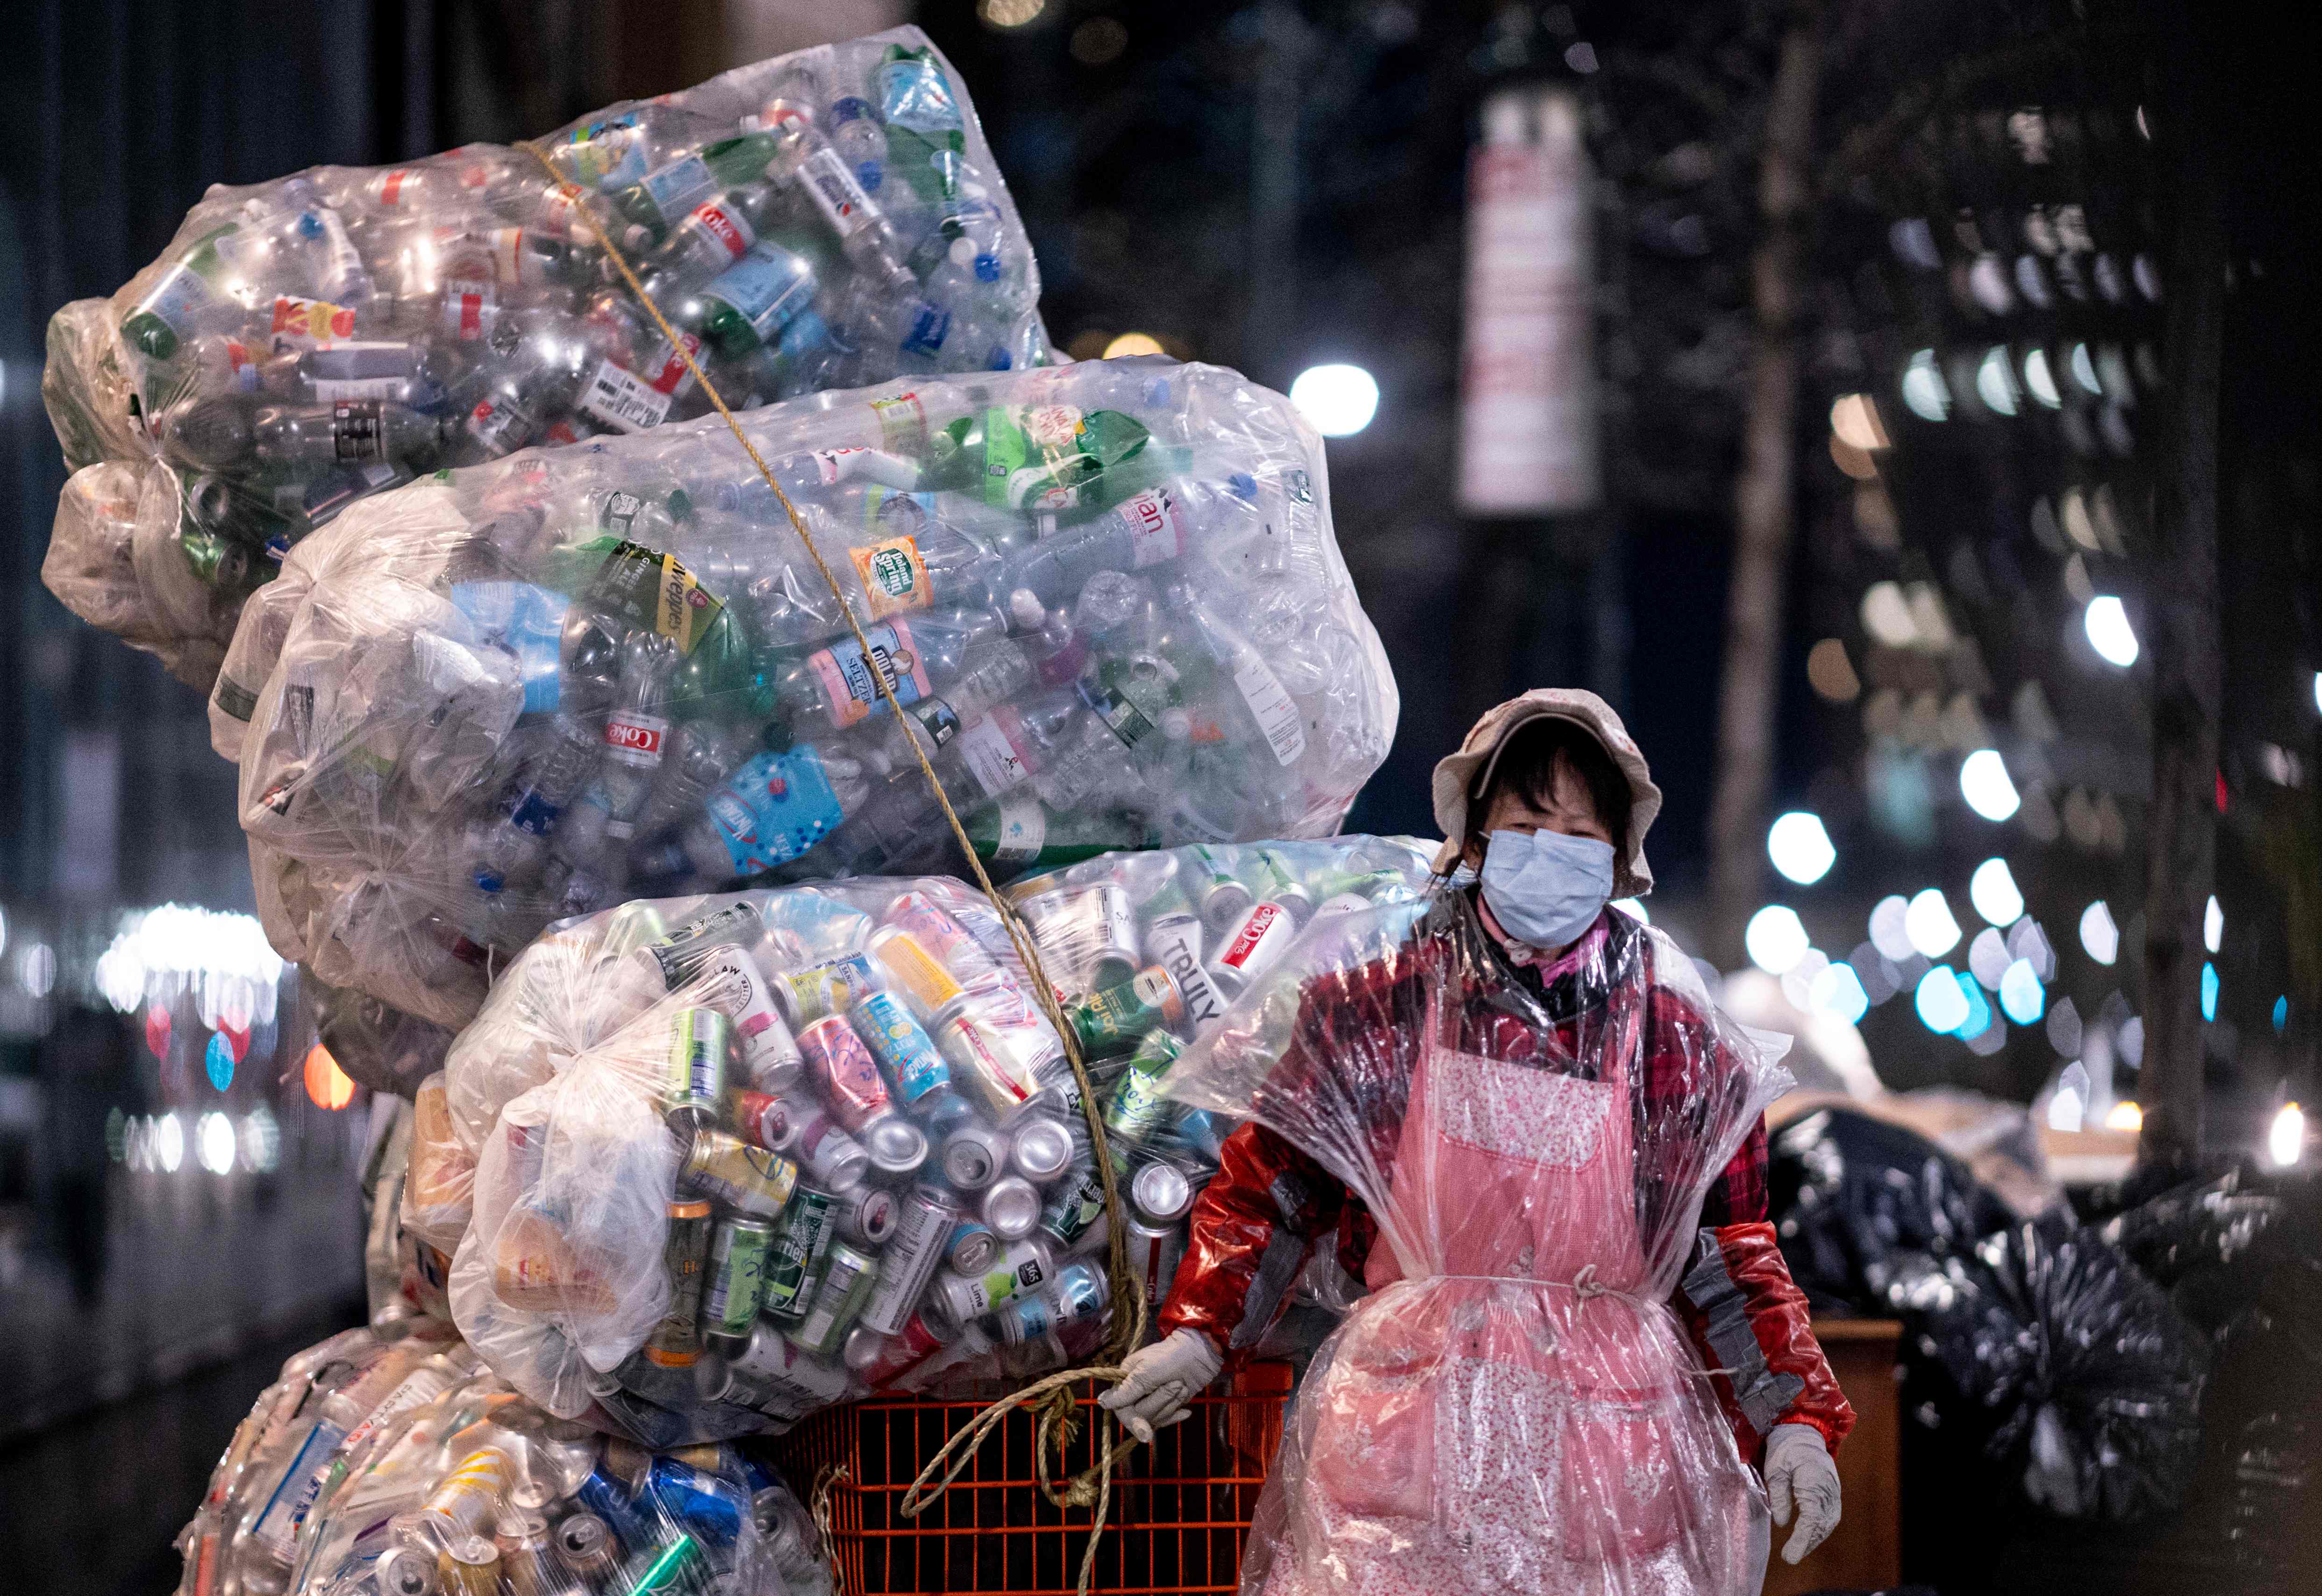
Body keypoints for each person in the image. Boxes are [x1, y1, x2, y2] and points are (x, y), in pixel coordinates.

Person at [1102, 689, 1853, 1595]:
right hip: (1400, 1472)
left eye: (1580, 832)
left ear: (1617, 859)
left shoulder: (1675, 1040)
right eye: (1529, 821)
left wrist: (1795, 1420)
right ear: (1475, 838)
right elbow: (1273, 1186)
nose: (1554, 848)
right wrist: (1200, 1333)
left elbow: (1728, 1254)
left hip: (1609, 1484)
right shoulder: (1379, 1004)